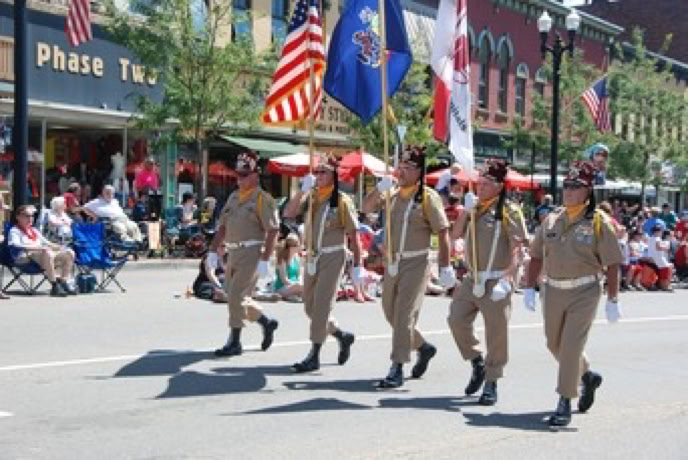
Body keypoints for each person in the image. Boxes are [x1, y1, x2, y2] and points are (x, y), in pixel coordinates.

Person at [524, 161, 623, 428]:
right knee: (553, 344)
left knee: (570, 347)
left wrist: (613, 299)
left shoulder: (599, 222)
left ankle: (565, 400)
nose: (568, 191)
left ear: (587, 191)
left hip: (584, 290)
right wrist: (530, 287)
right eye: (566, 185)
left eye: (575, 186)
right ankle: (587, 376)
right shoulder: (552, 219)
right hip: (553, 289)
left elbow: (613, 263)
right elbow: (536, 255)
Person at [362, 145, 455, 388]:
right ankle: (423, 347)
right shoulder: (392, 194)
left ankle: (397, 366)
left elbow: (443, 231)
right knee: (390, 312)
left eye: (407, 167)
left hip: (416, 262)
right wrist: (378, 189)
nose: (401, 171)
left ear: (419, 171)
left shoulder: (427, 198)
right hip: (392, 261)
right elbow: (366, 208)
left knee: (404, 315)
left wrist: (445, 266)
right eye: (400, 166)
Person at [447, 158, 528, 406]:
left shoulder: (509, 211)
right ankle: (476, 361)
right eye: (479, 182)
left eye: (486, 183)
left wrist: (508, 277)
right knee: (456, 320)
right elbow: (455, 234)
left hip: (496, 278)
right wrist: (465, 211)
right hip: (473, 278)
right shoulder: (474, 208)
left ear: (499, 186)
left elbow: (517, 247)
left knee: (496, 333)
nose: (480, 187)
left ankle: (492, 381)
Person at [283, 154, 362, 372]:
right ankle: (341, 335)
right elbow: (289, 213)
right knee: (309, 306)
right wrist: (301, 190)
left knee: (322, 306)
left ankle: (314, 354)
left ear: (334, 175)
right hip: (312, 256)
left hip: (332, 256)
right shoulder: (311, 197)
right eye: (316, 172)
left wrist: (358, 266)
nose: (318, 176)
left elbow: (354, 235)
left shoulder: (341, 201)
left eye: (323, 172)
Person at [210, 151, 280, 357]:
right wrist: (213, 250)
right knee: (234, 296)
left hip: (251, 251)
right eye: (238, 175)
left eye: (244, 175)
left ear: (255, 176)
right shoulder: (233, 197)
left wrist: (265, 259)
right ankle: (265, 322)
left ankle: (235, 341)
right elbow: (223, 226)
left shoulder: (262, 199)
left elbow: (273, 230)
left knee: (235, 296)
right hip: (233, 251)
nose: (239, 179)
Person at [9, 205, 77, 297]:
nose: (30, 218)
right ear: (18, 217)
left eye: (32, 216)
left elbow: (47, 243)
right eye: (26, 215)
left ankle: (63, 282)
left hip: (43, 255)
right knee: (47, 252)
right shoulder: (14, 230)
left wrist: (60, 247)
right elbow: (15, 244)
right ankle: (54, 285)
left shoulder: (34, 230)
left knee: (69, 253)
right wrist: (39, 248)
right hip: (26, 257)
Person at [273, 233, 303, 301]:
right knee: (301, 287)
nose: (300, 247)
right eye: (298, 245)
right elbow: (284, 280)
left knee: (304, 287)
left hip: (294, 286)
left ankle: (292, 296)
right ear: (291, 247)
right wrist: (297, 285)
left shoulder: (297, 258)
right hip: (282, 288)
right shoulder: (282, 260)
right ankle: (293, 295)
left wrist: (300, 282)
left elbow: (299, 275)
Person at [646, 224, 673, 291]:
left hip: (652, 257)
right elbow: (658, 247)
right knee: (667, 269)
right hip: (658, 257)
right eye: (660, 231)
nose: (661, 233)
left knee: (664, 269)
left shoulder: (650, 238)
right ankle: (665, 286)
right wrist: (666, 248)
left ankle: (662, 285)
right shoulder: (657, 238)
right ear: (658, 231)